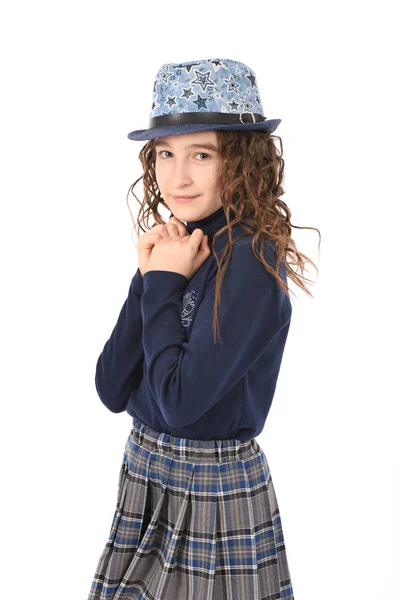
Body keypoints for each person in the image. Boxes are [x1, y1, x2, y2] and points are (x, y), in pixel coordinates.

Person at [87, 57, 320, 600]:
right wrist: (149, 278)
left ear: (240, 160)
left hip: (209, 490)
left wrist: (165, 283)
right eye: (165, 153)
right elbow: (111, 386)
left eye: (201, 154)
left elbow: (180, 405)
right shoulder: (178, 243)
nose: (177, 176)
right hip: (146, 470)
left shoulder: (252, 261)